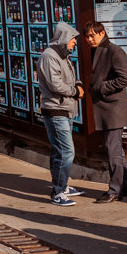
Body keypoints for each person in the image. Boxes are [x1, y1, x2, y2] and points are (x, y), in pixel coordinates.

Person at [83, 21, 127, 204]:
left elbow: (125, 79)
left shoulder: (114, 50)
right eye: (87, 36)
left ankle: (114, 190)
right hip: (108, 108)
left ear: (102, 33)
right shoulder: (98, 49)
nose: (90, 39)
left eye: (93, 35)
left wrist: (102, 87)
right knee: (116, 151)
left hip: (114, 108)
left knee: (112, 149)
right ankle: (125, 187)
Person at [37, 22, 84, 206]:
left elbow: (71, 78)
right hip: (55, 109)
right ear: (64, 38)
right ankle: (58, 192)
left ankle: (62, 186)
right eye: (73, 39)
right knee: (67, 151)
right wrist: (74, 91)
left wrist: (77, 85)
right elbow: (55, 84)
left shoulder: (63, 56)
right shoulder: (49, 57)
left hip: (65, 109)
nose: (74, 43)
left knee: (59, 151)